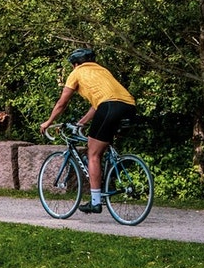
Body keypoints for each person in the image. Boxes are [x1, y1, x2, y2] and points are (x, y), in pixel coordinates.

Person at [39, 48, 137, 212]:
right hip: (129, 107)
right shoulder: (102, 71)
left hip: (109, 107)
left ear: (75, 64)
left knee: (93, 153)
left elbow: (62, 103)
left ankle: (95, 202)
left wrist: (48, 122)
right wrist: (81, 123)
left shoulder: (77, 72)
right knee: (102, 145)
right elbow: (98, 104)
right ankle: (113, 173)